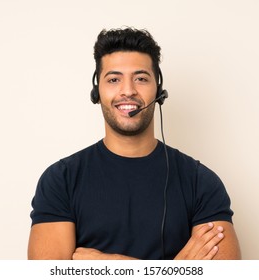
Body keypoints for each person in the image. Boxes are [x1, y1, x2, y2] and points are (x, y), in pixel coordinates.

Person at [28, 27, 241, 260]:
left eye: (140, 78)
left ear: (158, 90)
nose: (127, 91)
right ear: (96, 91)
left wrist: (114, 265)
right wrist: (176, 269)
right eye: (113, 79)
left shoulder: (200, 181)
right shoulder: (61, 180)